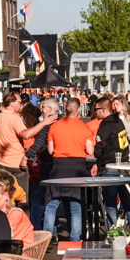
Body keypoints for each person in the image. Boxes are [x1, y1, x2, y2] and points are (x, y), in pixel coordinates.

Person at [44, 98, 93, 241]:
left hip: (58, 167)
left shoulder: (55, 126)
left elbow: (50, 150)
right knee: (76, 206)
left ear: (65, 109)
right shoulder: (85, 127)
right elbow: (90, 150)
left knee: (52, 203)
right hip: (77, 168)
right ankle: (75, 239)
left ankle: (46, 238)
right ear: (78, 111)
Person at [0, 92, 52, 202]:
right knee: (22, 200)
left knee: (4, 199)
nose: (21, 105)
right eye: (19, 102)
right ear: (12, 103)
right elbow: (26, 134)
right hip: (16, 165)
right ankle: (22, 219)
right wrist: (44, 123)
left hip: (1, 164)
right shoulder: (14, 118)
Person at [94, 97, 130, 228]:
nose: (95, 112)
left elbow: (99, 147)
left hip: (110, 166)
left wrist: (97, 158)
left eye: (96, 109)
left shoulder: (105, 125)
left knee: (110, 203)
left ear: (103, 109)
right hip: (124, 165)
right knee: (127, 202)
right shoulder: (119, 122)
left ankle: (112, 233)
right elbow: (124, 143)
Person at [0, 172, 34, 248]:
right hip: (5, 251)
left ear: (6, 196)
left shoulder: (15, 214)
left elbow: (3, 237)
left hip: (19, 255)